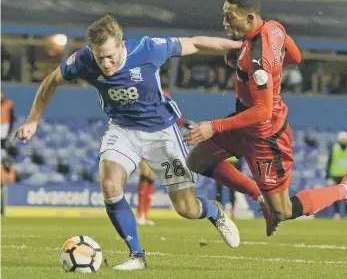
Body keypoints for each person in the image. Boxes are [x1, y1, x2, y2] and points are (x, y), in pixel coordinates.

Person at [13, 14, 242, 271]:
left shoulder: (147, 48)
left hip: (161, 132)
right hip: (122, 130)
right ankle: (137, 255)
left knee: (187, 209)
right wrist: (33, 120)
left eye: (110, 56)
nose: (106, 63)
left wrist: (236, 47)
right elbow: (50, 81)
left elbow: (195, 44)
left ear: (122, 45)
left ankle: (213, 212)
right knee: (110, 185)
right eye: (100, 58)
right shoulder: (84, 60)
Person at [185, 0, 347, 237]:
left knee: (282, 210)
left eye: (231, 17)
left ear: (250, 18)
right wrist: (245, 59)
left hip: (266, 135)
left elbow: (263, 111)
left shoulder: (258, 58)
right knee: (197, 161)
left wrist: (213, 126)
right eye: (224, 16)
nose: (225, 22)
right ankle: (259, 196)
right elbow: (295, 56)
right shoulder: (274, 28)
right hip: (243, 124)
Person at [136, 88, 193, 226]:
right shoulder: (143, 94)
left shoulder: (162, 93)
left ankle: (145, 213)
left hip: (158, 138)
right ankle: (140, 214)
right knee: (145, 173)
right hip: (144, 136)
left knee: (150, 176)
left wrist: (185, 123)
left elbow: (173, 114)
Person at [326, 131, 347, 219]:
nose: (343, 140)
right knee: (335, 195)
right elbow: (329, 162)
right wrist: (328, 175)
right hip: (335, 175)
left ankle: (346, 213)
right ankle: (337, 213)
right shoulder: (334, 148)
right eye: (342, 138)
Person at [136, 159, 157, 226]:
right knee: (144, 175)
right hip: (144, 152)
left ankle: (145, 215)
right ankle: (140, 214)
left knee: (150, 179)